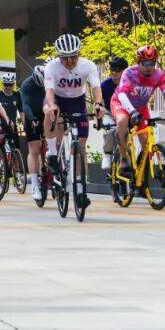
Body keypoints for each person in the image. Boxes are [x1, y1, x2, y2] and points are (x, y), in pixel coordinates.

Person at [42, 33, 104, 209]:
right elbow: (49, 91)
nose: (70, 61)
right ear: (59, 56)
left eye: (73, 56)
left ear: (79, 54)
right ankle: (52, 153)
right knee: (50, 112)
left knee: (81, 147)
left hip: (77, 101)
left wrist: (98, 104)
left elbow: (96, 87)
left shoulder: (88, 65)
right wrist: (52, 106)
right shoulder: (52, 67)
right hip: (58, 99)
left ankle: (80, 188)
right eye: (65, 57)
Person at [111, 45, 165, 171]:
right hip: (121, 102)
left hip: (140, 107)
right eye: (145, 63)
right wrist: (132, 112)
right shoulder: (129, 73)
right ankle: (123, 157)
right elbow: (122, 95)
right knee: (122, 120)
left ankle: (142, 171)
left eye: (152, 63)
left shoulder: (158, 75)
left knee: (145, 139)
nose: (149, 67)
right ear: (139, 62)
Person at [21, 64, 47, 201]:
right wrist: (32, 119)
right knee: (35, 148)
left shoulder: (53, 80)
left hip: (47, 114)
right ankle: (35, 185)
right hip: (33, 115)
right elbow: (25, 105)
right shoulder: (27, 85)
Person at [99, 56, 128, 168]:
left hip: (126, 113)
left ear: (125, 71)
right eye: (112, 70)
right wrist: (99, 119)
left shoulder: (130, 83)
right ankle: (107, 154)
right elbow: (99, 103)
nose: (114, 73)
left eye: (118, 70)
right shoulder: (104, 85)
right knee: (110, 130)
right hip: (109, 113)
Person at [0, 71, 22, 148]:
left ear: (13, 84)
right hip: (0, 126)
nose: (8, 87)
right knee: (0, 150)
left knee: (16, 149)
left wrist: (25, 125)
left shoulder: (17, 95)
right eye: (6, 84)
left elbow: (21, 111)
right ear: (2, 84)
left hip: (12, 126)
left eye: (10, 85)